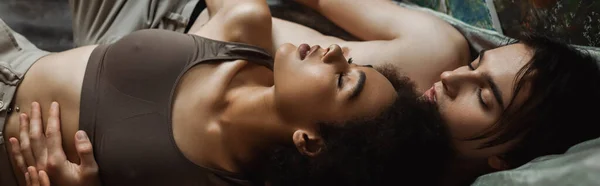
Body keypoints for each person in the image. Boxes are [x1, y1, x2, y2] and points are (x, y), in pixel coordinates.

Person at [8, 0, 600, 185]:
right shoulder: (435, 53)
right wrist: (233, 26)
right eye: (478, 60)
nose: (453, 77)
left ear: (508, 158)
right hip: (184, 35)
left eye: (486, 97)